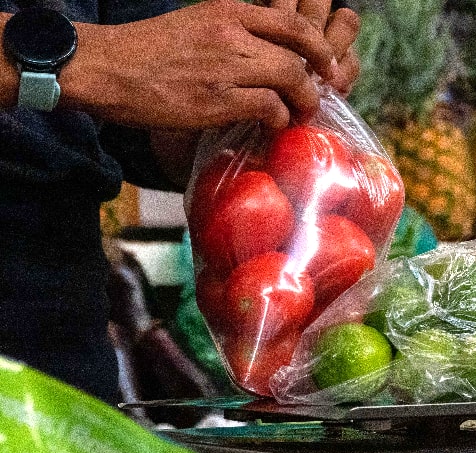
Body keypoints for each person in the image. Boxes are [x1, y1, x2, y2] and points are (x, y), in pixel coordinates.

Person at [0, 0, 361, 404]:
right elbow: (117, 67)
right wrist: (91, 59)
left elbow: (111, 120)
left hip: (61, 374)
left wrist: (253, 79)